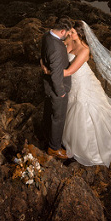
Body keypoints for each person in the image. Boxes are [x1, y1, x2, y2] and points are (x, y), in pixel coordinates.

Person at [59, 20, 111, 166]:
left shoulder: (85, 50)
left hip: (81, 81)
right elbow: (61, 54)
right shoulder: (69, 40)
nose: (69, 33)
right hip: (71, 83)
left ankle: (90, 147)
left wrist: (50, 71)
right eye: (70, 31)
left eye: (73, 32)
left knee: (84, 108)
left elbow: (70, 71)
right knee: (70, 107)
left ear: (79, 34)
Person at [40, 17, 74, 160]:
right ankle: (54, 148)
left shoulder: (47, 35)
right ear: (62, 31)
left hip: (47, 85)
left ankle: (46, 136)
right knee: (58, 118)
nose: (68, 35)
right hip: (57, 88)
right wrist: (61, 93)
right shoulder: (56, 48)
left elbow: (43, 58)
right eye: (67, 33)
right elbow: (56, 75)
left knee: (49, 113)